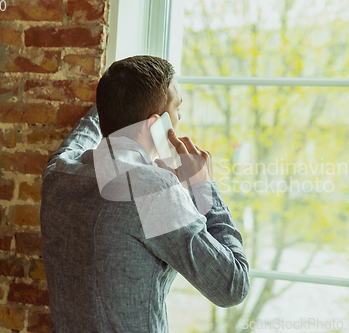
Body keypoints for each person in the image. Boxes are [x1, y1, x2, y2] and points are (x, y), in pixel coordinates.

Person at [40, 55, 250, 333]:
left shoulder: (57, 173)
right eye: (177, 110)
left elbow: (82, 136)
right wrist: (203, 187)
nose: (180, 118)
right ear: (156, 126)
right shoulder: (154, 190)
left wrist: (116, 101)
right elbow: (232, 286)